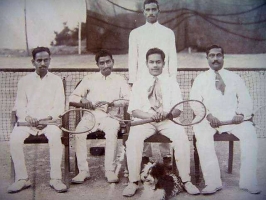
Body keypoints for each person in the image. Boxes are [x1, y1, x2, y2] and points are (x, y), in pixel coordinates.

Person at [123, 48, 200, 197]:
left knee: (182, 139)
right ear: (146, 64)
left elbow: (179, 109)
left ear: (163, 63)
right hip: (145, 121)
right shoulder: (139, 83)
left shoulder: (172, 83)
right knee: (133, 141)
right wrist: (149, 116)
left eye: (158, 62)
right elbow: (134, 110)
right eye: (151, 62)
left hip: (168, 121)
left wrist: (167, 113)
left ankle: (186, 181)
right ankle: (133, 182)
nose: (155, 65)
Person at [190, 44, 261, 195]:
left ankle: (248, 182)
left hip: (233, 120)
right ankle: (213, 183)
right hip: (208, 120)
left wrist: (240, 114)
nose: (215, 59)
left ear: (223, 57)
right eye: (212, 56)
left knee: (250, 135)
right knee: (202, 137)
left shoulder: (235, 78)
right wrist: (208, 116)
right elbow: (195, 103)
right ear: (207, 58)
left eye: (218, 55)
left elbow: (246, 100)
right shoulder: (200, 79)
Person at [8, 47, 67, 193]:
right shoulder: (24, 81)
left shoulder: (57, 80)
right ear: (33, 62)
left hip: (49, 122)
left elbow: (59, 106)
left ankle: (55, 179)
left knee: (54, 137)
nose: (42, 63)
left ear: (49, 60)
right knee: (14, 139)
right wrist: (28, 118)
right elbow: (19, 106)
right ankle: (22, 179)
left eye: (45, 60)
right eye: (39, 60)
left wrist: (47, 119)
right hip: (27, 123)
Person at [128, 0, 178, 166]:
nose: (150, 12)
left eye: (153, 9)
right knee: (144, 118)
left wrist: (171, 79)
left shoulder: (168, 32)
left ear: (158, 11)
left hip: (163, 80)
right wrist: (132, 80)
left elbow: (172, 57)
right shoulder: (135, 33)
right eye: (147, 9)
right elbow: (132, 58)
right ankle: (144, 155)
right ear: (143, 12)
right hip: (143, 82)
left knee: (164, 114)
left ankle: (166, 155)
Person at [69, 50, 130, 184]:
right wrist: (83, 101)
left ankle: (109, 170)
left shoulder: (120, 79)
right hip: (90, 116)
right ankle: (83, 171)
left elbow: (129, 99)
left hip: (111, 116)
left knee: (112, 131)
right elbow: (72, 97)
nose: (105, 65)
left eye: (108, 61)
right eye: (102, 63)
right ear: (97, 65)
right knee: (78, 132)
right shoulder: (89, 79)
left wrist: (112, 103)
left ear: (113, 62)